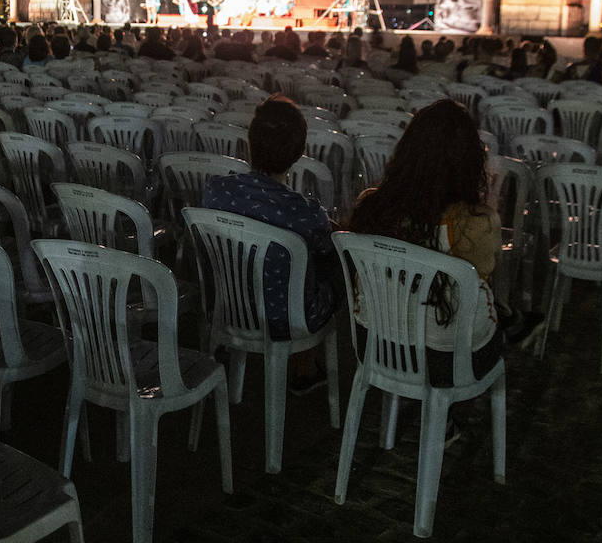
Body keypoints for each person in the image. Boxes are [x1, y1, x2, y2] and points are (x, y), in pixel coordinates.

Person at [348, 100, 542, 391]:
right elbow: (484, 275)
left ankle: (510, 320)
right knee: (474, 301)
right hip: (448, 361)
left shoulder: (370, 207)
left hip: (375, 343)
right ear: (468, 160)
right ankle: (510, 323)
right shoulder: (476, 222)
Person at [204, 96, 339, 393]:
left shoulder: (216, 192)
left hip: (233, 306)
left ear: (250, 142)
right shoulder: (306, 212)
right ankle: (304, 366)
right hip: (289, 319)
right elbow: (328, 257)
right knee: (329, 268)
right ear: (298, 152)